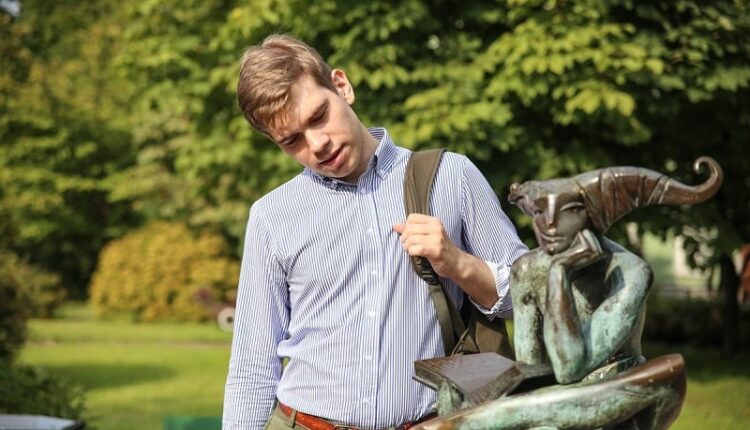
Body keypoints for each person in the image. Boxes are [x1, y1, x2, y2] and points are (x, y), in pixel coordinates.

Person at [222, 34, 527, 430]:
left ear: (342, 86)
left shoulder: (451, 177)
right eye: (292, 140)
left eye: (318, 116)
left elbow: (529, 299)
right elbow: (252, 367)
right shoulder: (271, 216)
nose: (318, 144)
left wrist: (458, 264)